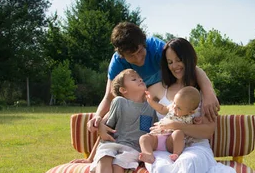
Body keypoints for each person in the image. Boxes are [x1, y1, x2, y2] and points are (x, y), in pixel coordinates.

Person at [144, 38, 237, 173]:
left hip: (196, 146)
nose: (175, 65)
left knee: (190, 163)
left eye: (179, 60)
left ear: (189, 59)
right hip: (165, 147)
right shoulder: (158, 88)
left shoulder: (202, 94)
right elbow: (124, 97)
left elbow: (207, 132)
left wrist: (176, 125)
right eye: (169, 61)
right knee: (164, 170)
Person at [87, 22, 220, 141]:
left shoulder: (158, 49)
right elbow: (110, 97)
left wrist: (208, 92)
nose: (138, 59)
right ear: (122, 56)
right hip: (146, 96)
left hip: (165, 90)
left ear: (144, 43)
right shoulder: (117, 63)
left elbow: (188, 66)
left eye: (140, 51)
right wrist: (99, 118)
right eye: (131, 56)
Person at [72, 69, 156, 173]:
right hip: (113, 142)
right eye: (133, 79)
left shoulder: (151, 108)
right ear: (123, 90)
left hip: (133, 148)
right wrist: (90, 158)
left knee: (119, 165)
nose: (139, 79)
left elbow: (152, 133)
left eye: (139, 77)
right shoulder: (119, 102)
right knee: (105, 155)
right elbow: (105, 132)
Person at [139, 86, 202, 164]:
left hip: (170, 142)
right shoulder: (172, 107)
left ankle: (176, 153)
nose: (174, 107)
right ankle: (148, 154)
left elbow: (194, 129)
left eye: (179, 108)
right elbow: (161, 109)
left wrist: (197, 121)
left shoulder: (190, 118)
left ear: (190, 112)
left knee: (178, 133)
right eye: (175, 102)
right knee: (143, 138)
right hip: (157, 137)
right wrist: (151, 102)